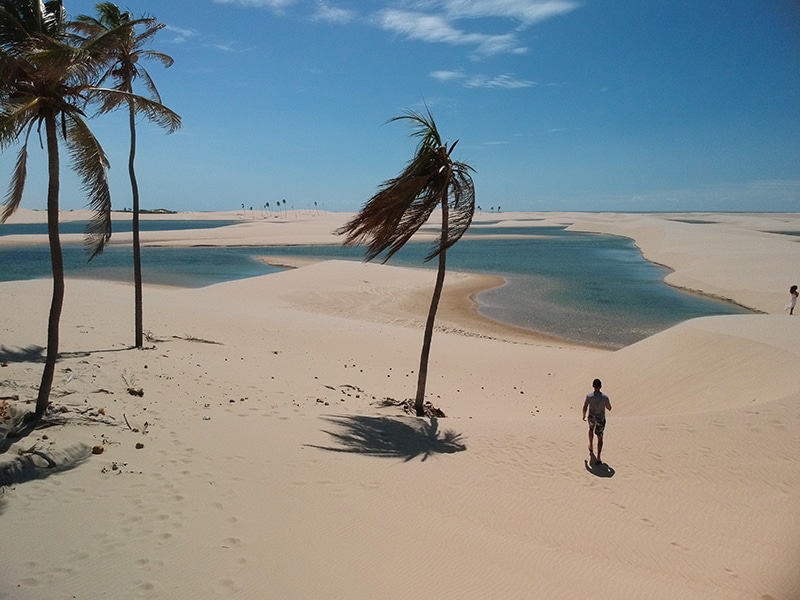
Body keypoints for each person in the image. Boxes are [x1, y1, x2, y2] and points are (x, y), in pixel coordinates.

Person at [582, 378, 612, 465]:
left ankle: (591, 445)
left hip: (591, 417)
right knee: (600, 436)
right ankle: (598, 457)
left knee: (591, 430)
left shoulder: (589, 396)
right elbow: (609, 408)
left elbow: (585, 406)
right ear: (601, 386)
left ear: (593, 386)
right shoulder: (605, 397)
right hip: (600, 419)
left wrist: (583, 415)